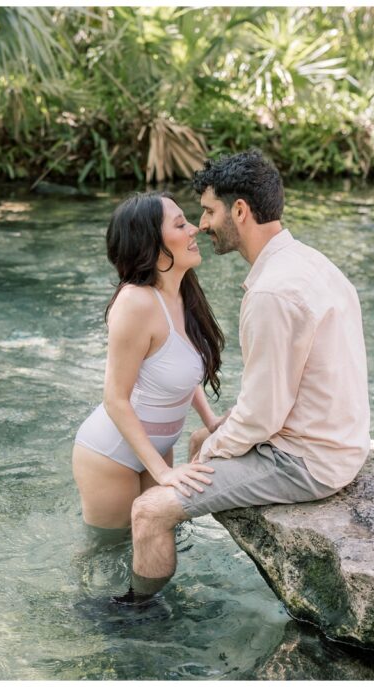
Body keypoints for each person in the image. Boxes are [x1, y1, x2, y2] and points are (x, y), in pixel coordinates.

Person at [116, 150, 370, 604]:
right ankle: (175, 545)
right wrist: (207, 448)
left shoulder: (272, 292)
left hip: (305, 461)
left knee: (148, 509)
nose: (203, 224)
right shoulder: (311, 262)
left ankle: (138, 616)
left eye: (209, 211)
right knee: (198, 445)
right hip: (336, 440)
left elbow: (262, 416)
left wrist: (208, 454)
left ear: (240, 210)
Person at [72, 192, 225, 535]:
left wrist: (211, 421)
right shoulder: (135, 303)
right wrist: (164, 473)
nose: (194, 230)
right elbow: (115, 398)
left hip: (156, 450)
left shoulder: (184, 293)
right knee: (108, 556)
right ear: (151, 243)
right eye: (180, 224)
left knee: (155, 543)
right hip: (111, 455)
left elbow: (182, 369)